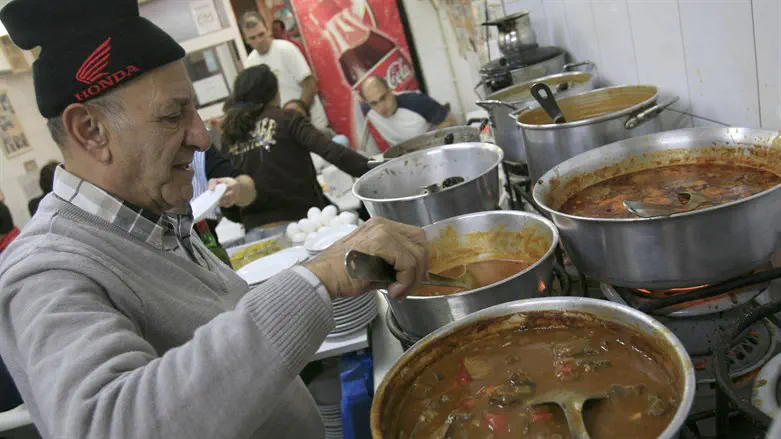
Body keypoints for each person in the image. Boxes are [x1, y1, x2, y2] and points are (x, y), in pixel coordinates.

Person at [0, 2, 427, 439]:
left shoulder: (154, 217)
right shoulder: (46, 270)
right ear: (90, 131)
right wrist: (320, 279)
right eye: (172, 116)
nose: (203, 137)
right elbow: (107, 426)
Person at [222, 65, 370, 241]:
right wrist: (377, 172)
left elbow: (225, 196)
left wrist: (251, 217)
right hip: (304, 229)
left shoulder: (229, 136)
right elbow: (333, 152)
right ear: (274, 94)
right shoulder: (286, 118)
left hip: (256, 236)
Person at [240, 11, 328, 130]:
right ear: (246, 40)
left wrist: (298, 113)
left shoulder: (286, 49)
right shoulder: (250, 63)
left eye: (261, 34)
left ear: (268, 30)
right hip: (286, 130)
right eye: (253, 38)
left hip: (312, 124)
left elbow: (310, 85)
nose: (259, 40)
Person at [360, 75, 457, 147]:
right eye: (374, 103)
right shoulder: (367, 109)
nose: (381, 108)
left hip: (434, 149)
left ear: (390, 91)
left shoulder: (415, 101)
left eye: (383, 98)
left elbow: (450, 121)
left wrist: (428, 145)